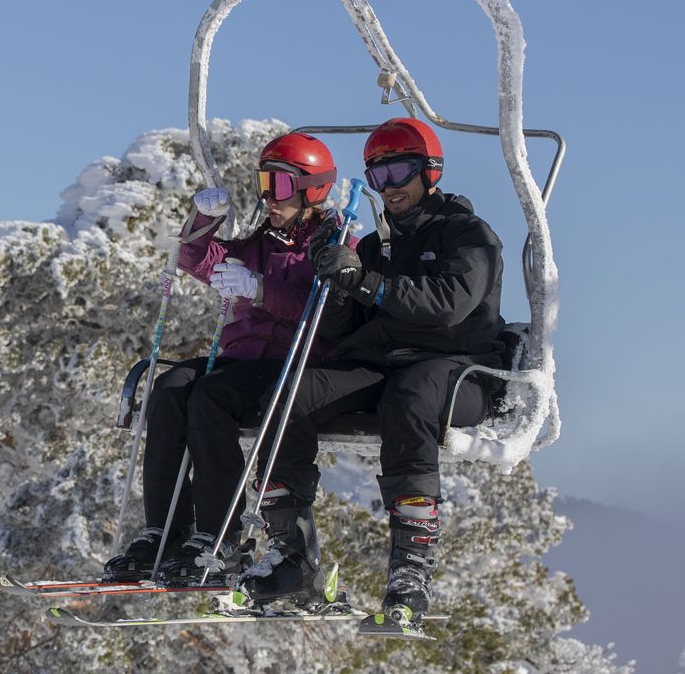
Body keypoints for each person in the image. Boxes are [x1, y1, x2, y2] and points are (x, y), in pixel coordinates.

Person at [217, 117, 506, 621]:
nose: (389, 188)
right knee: (292, 391)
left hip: (460, 372)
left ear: (429, 171)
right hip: (385, 367)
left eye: (399, 172)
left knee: (412, 395)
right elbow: (345, 328)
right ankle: (291, 554)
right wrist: (334, 283)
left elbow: (448, 305)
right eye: (378, 177)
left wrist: (368, 282)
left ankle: (411, 567)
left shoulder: (469, 236)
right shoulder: (375, 246)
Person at [102, 132, 338, 585]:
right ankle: (166, 530)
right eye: (265, 184)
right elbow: (198, 260)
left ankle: (219, 535)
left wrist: (261, 290)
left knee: (210, 397)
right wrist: (203, 221)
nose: (270, 196)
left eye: (283, 186)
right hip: (241, 358)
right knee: (169, 390)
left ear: (315, 188)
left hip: (292, 361)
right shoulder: (259, 243)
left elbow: (328, 308)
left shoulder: (332, 247)